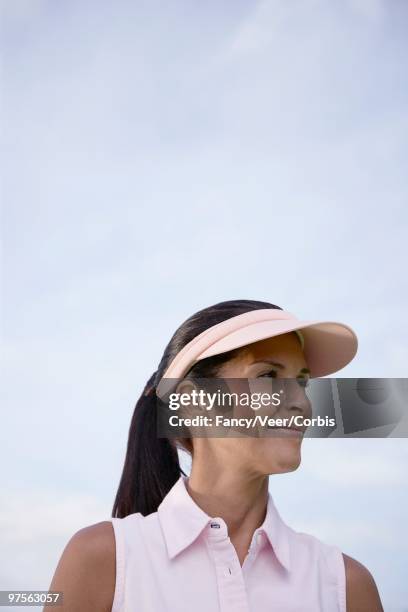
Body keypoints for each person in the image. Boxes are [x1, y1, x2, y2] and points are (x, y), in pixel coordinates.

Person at [45, 300, 384, 611]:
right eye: (268, 376)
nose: (301, 402)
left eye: (302, 382)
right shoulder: (102, 561)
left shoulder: (347, 587)